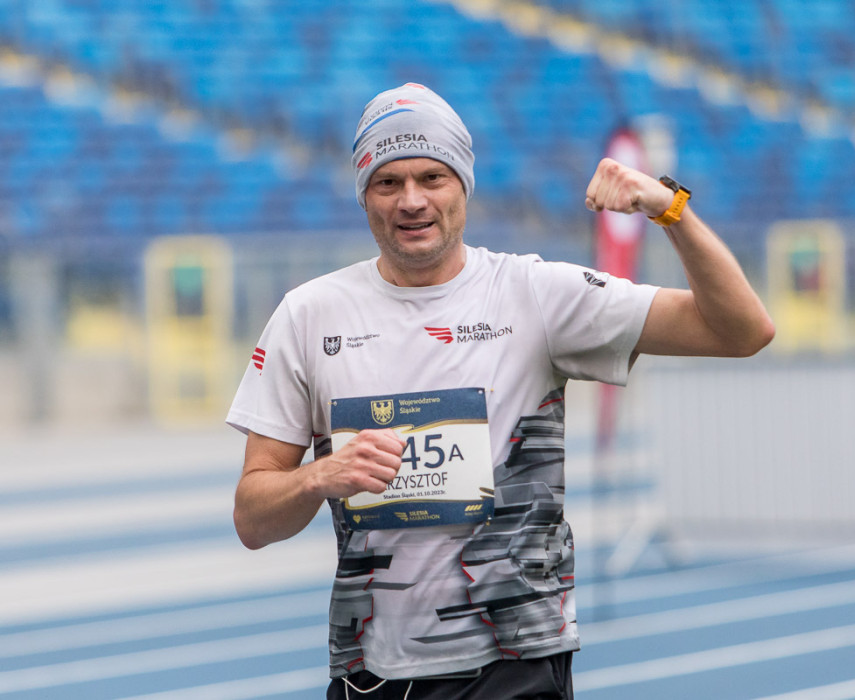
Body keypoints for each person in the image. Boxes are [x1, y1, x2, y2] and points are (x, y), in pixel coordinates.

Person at [228, 82, 774, 700]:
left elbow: (741, 330)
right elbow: (252, 519)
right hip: (371, 676)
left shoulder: (534, 293)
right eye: (388, 182)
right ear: (364, 194)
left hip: (515, 665)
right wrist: (316, 478)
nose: (412, 200)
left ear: (464, 184)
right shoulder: (309, 316)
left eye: (432, 177)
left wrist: (669, 209)